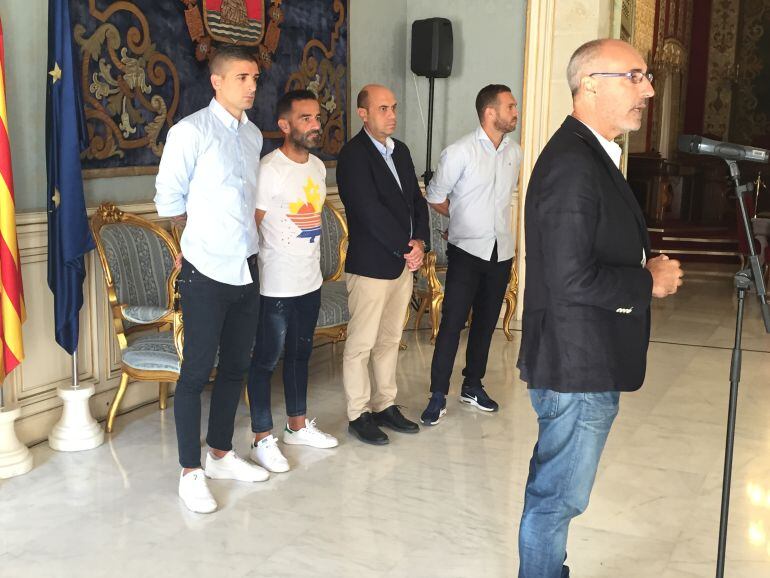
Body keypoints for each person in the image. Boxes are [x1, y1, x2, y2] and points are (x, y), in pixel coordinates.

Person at [516, 38, 683, 576]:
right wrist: (645, 280)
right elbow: (569, 278)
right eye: (634, 76)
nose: (649, 89)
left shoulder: (590, 154)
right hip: (576, 362)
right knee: (557, 497)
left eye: (646, 77)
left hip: (585, 354)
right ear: (589, 84)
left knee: (558, 490)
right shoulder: (572, 163)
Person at [154, 45, 268, 514]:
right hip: (206, 268)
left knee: (237, 365)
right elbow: (168, 201)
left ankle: (220, 452)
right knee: (196, 371)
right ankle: (190, 471)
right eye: (243, 77)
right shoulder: (190, 133)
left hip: (247, 265)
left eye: (255, 77)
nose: (252, 85)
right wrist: (192, 247)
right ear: (217, 82)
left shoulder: (254, 135)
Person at [247, 89, 339, 474]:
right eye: (306, 118)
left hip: (309, 279)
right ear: (284, 125)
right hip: (276, 284)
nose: (316, 125)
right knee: (266, 360)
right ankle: (261, 438)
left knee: (301, 354)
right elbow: (252, 225)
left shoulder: (317, 167)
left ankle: (296, 426)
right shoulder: (269, 169)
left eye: (317, 118)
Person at [420, 84, 522, 426]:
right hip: (466, 251)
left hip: (501, 251)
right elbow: (435, 197)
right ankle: (437, 393)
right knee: (451, 324)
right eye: (510, 106)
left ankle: (473, 385)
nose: (515, 112)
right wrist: (462, 218)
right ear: (490, 112)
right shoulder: (459, 152)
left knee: (484, 324)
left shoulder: (514, 152)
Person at [335, 84, 429, 445]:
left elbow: (416, 203)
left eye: (394, 107)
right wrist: (406, 247)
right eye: (383, 109)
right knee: (361, 343)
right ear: (363, 113)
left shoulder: (400, 151)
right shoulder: (353, 155)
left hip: (403, 264)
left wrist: (419, 241)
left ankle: (385, 404)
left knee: (390, 339)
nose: (391, 115)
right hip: (372, 265)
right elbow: (368, 210)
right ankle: (358, 413)